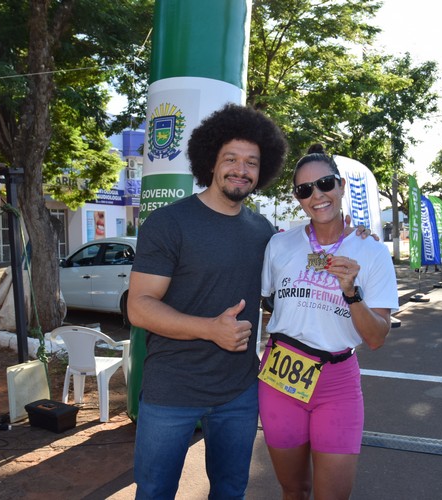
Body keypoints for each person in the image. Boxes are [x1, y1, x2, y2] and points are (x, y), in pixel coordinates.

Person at [126, 103, 289, 499]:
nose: (241, 169)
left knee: (231, 491)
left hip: (238, 391)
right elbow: (140, 306)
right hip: (171, 391)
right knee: (154, 492)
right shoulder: (169, 223)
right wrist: (211, 330)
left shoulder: (261, 229)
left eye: (252, 162)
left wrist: (351, 238)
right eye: (231, 158)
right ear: (210, 162)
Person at [258, 144, 399, 499]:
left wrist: (351, 292)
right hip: (280, 375)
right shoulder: (279, 245)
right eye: (305, 190)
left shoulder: (371, 251)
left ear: (340, 186)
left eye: (324, 184)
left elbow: (377, 337)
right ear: (297, 198)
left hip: (336, 382)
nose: (316, 195)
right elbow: (266, 302)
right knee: (293, 489)